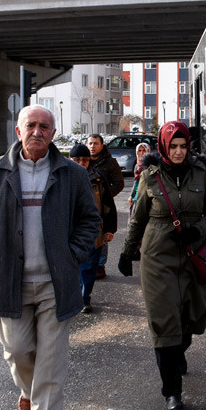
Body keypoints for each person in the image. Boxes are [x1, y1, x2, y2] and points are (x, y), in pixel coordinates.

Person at [0, 105, 100, 410]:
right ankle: (27, 390)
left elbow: (89, 221)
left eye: (45, 127)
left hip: (56, 281)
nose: (38, 131)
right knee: (17, 350)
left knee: (51, 355)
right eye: (31, 125)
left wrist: (72, 254)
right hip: (8, 280)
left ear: (53, 134)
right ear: (19, 132)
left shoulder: (72, 174)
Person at [117, 121, 206, 410]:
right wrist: (126, 253)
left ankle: (178, 352)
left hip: (193, 254)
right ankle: (172, 391)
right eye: (172, 146)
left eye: (182, 146)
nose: (177, 152)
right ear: (163, 146)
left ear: (189, 146)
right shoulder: (150, 177)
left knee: (195, 317)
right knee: (164, 322)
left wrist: (197, 230)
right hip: (158, 256)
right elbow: (137, 220)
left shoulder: (201, 174)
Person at [69, 143, 117, 313]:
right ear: (70, 159)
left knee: (89, 268)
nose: (81, 163)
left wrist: (110, 229)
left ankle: (84, 297)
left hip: (94, 232)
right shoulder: (61, 178)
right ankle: (72, 297)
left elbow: (108, 205)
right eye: (77, 159)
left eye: (85, 159)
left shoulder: (98, 178)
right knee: (71, 268)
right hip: (70, 232)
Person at [86, 133, 124, 279]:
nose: (92, 146)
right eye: (90, 143)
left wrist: (105, 195)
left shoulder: (109, 163)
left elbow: (119, 183)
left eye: (95, 143)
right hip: (84, 205)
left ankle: (100, 266)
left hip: (102, 206)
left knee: (102, 235)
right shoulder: (84, 160)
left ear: (102, 145)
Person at [126, 142, 151, 217]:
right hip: (136, 198)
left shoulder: (151, 166)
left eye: (144, 150)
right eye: (139, 150)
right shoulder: (137, 166)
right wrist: (131, 195)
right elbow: (136, 182)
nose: (141, 153)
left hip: (147, 199)